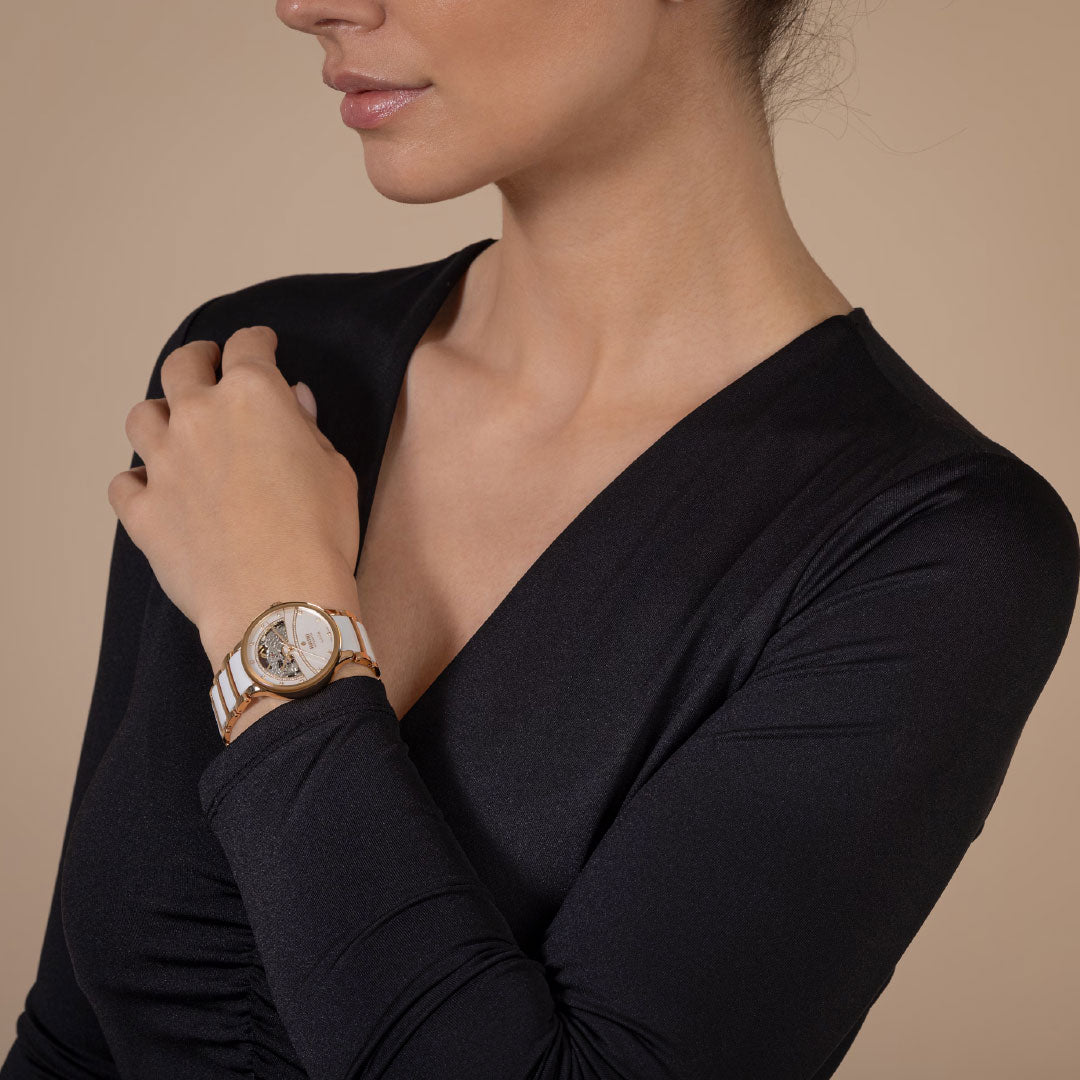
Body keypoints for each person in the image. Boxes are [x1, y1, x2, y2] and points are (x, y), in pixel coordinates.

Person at [3, 2, 1077, 1077]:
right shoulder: (257, 385)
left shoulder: (934, 548)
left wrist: (273, 621)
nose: (308, 4)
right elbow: (69, 1041)